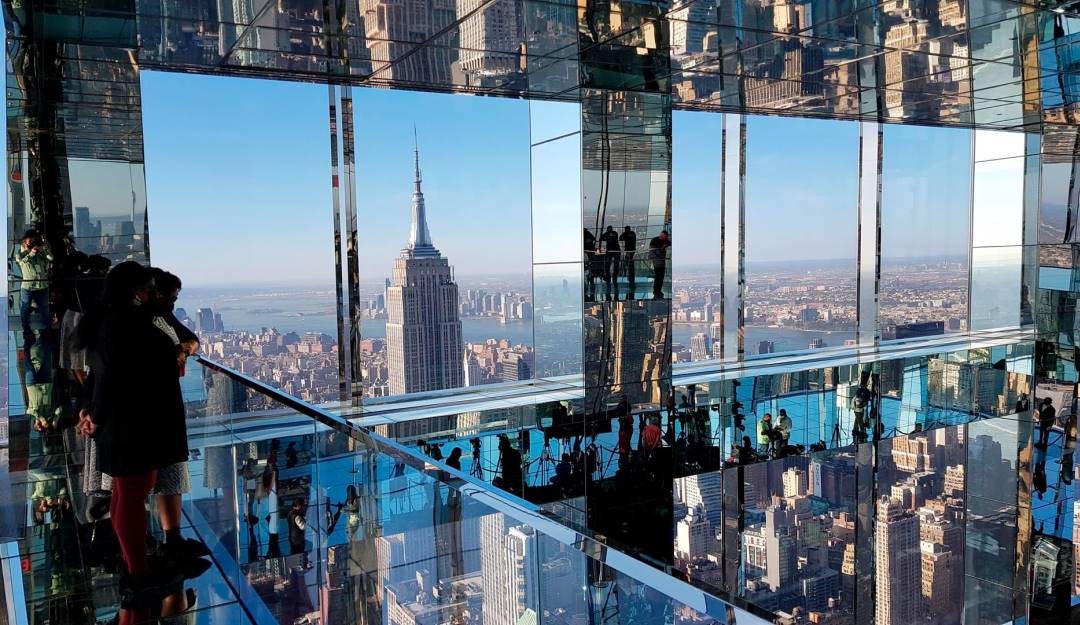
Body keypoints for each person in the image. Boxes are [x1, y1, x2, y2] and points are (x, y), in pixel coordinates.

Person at [77, 261, 187, 601]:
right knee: (131, 495)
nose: (153, 294)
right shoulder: (123, 325)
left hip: (125, 424)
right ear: (134, 291)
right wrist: (93, 415)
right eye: (148, 288)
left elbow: (101, 375)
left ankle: (134, 566)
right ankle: (137, 575)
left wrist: (89, 413)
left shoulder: (111, 321)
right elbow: (112, 378)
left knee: (127, 495)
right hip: (132, 425)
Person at [146, 268, 209, 562]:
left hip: (167, 403)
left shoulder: (162, 317)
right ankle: (141, 548)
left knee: (172, 470)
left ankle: (173, 537)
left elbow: (193, 339)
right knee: (141, 476)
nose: (172, 303)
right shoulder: (132, 322)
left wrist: (183, 349)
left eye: (175, 298)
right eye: (169, 297)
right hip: (143, 407)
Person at [15, 229, 53, 338]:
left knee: (44, 309)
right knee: (25, 309)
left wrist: (44, 249)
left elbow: (51, 258)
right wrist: (32, 252)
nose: (32, 243)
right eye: (30, 240)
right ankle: (26, 330)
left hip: (42, 286)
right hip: (28, 287)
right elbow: (22, 262)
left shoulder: (40, 252)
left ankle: (48, 329)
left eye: (34, 240)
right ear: (25, 241)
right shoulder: (20, 254)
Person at [648, 230, 670, 299]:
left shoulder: (666, 241)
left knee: (661, 276)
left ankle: (658, 290)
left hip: (662, 260)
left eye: (665, 237)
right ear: (661, 235)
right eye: (664, 236)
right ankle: (656, 290)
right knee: (658, 276)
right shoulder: (654, 240)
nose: (664, 237)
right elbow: (652, 250)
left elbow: (669, 243)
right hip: (657, 260)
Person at [600, 226, 621, 299]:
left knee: (607, 264)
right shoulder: (615, 233)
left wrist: (605, 234)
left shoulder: (607, 233)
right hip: (617, 250)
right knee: (616, 265)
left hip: (610, 251)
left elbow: (601, 238)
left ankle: (608, 277)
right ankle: (614, 277)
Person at [619, 226, 637, 296]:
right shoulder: (633, 233)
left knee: (628, 262)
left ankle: (629, 277)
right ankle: (630, 277)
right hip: (632, 250)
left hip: (628, 250)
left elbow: (620, 238)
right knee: (630, 262)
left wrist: (624, 233)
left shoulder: (626, 234)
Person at [584, 228, 599, 302]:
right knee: (591, 266)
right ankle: (592, 277)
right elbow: (593, 238)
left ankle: (591, 277)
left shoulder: (584, 234)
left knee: (589, 269)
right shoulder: (588, 233)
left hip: (588, 251)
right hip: (590, 251)